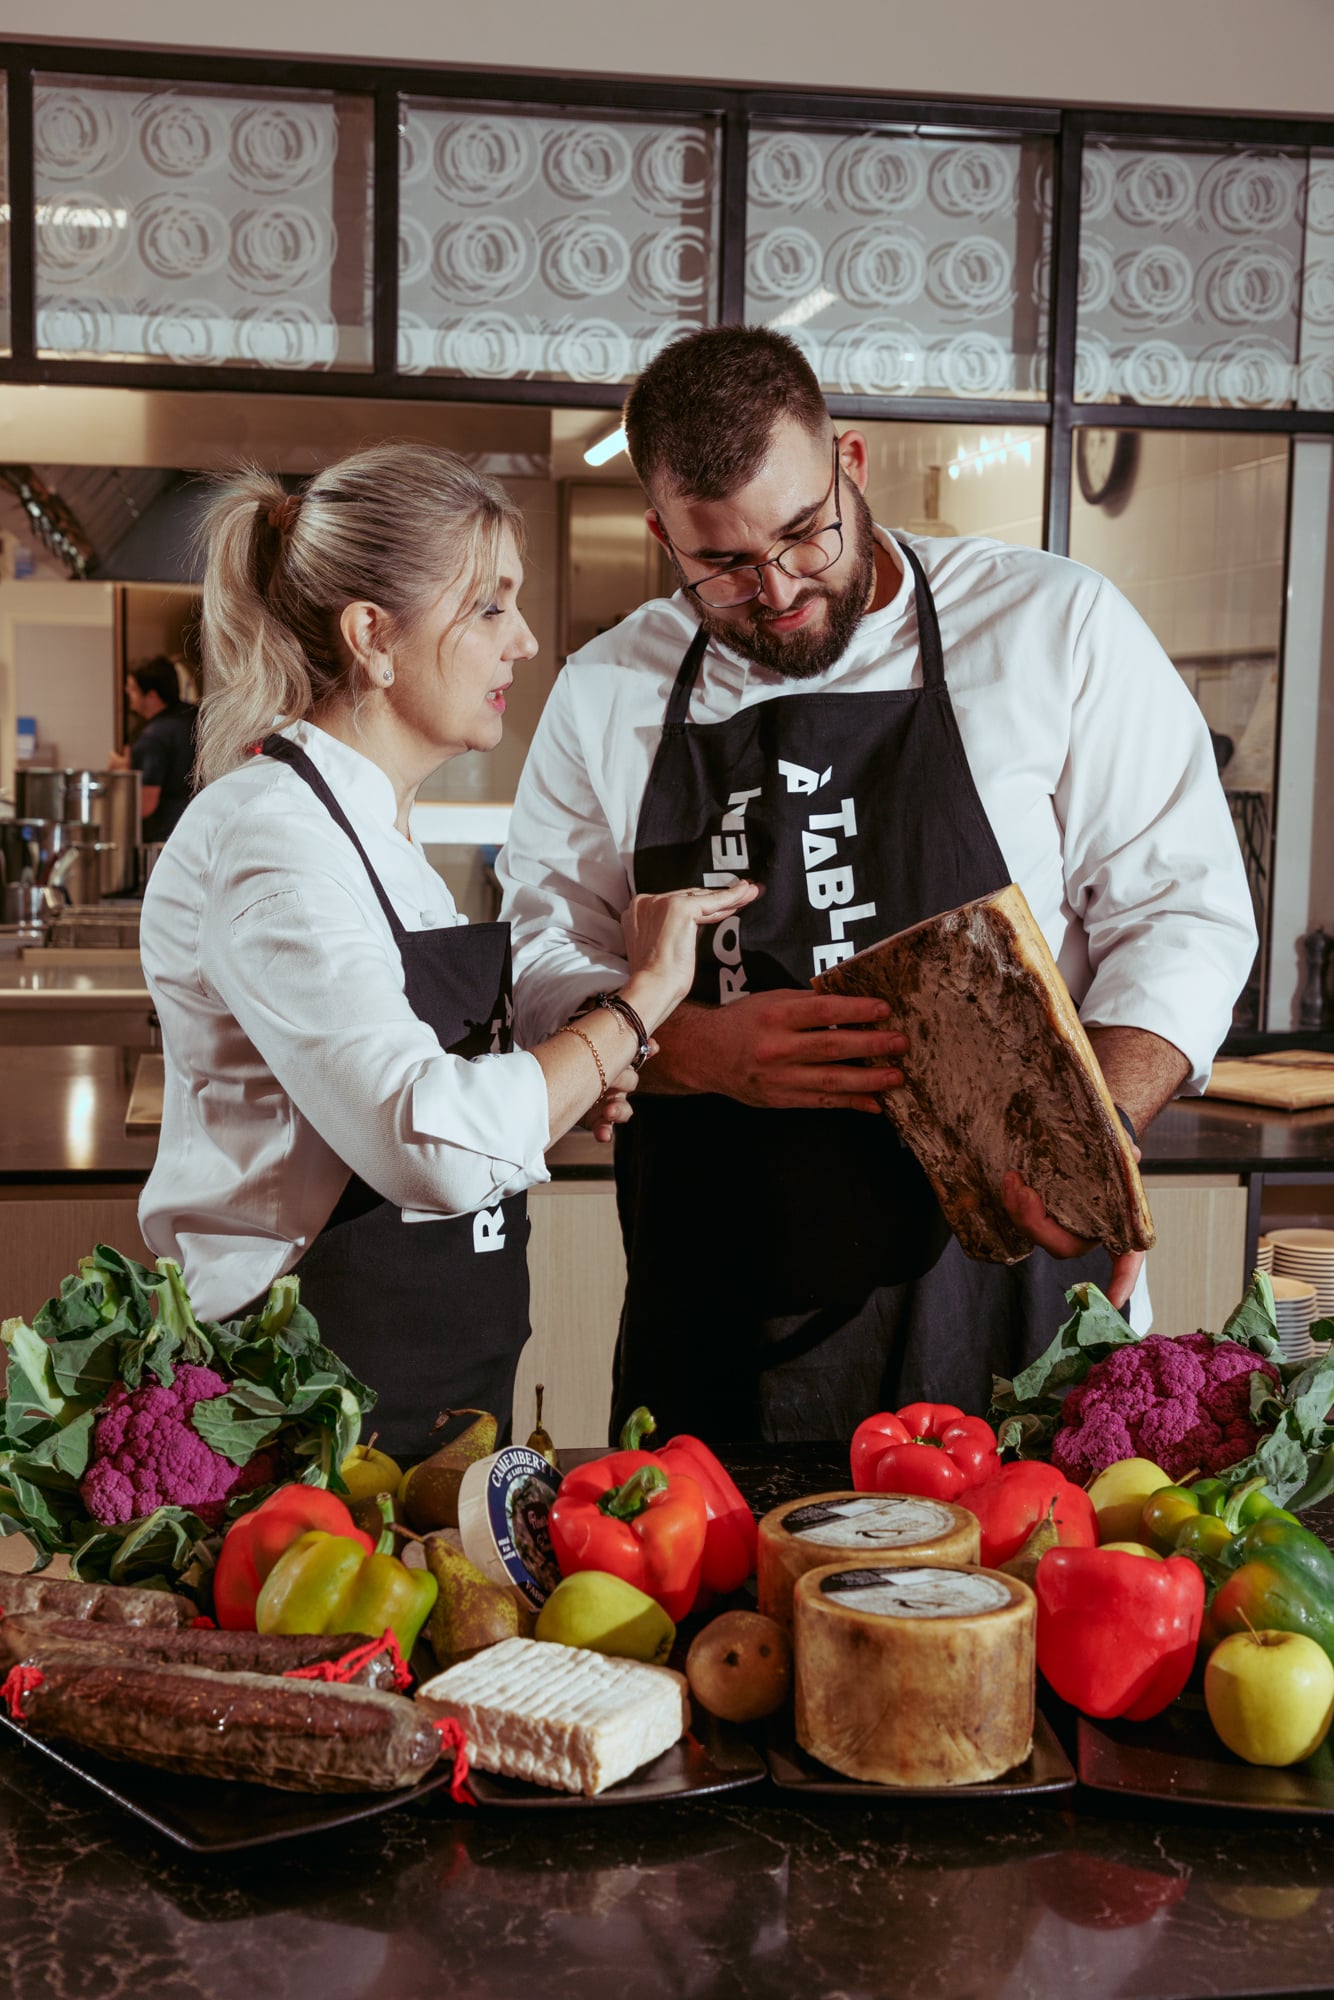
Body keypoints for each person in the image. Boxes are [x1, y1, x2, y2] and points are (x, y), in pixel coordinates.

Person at [498, 327, 1259, 1444]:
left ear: (850, 462)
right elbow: (537, 948)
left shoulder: (1051, 626)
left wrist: (1087, 1132)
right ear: (662, 534)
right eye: (722, 564)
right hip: (721, 1297)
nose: (778, 588)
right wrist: (701, 1046)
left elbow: (1179, 909)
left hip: (1004, 1285)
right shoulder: (607, 687)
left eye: (805, 532)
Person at [137, 442, 755, 1457]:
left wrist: (563, 1069)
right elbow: (426, 1138)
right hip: (301, 1414)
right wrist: (636, 1006)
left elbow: (433, 1084)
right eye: (487, 606)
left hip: (427, 1395)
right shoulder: (271, 839)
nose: (522, 641)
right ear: (373, 637)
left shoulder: (376, 832)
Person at [109, 655, 198, 841]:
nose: (127, 693)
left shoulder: (152, 738)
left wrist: (124, 774)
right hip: (200, 828)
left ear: (152, 696)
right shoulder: (197, 717)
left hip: (167, 838)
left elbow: (145, 806)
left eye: (132, 689)